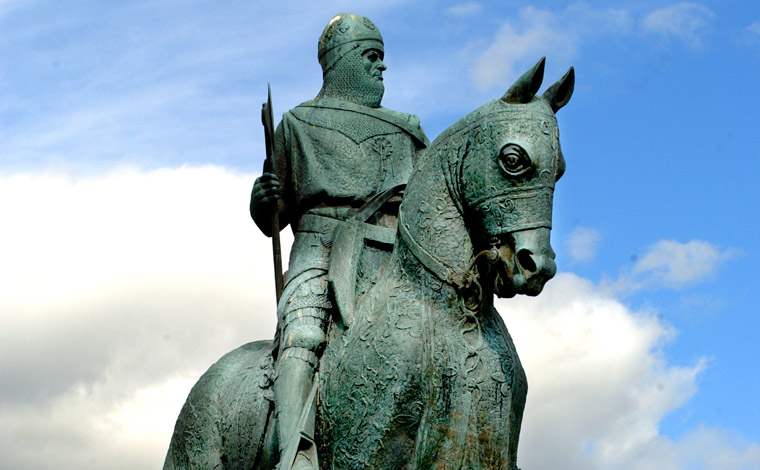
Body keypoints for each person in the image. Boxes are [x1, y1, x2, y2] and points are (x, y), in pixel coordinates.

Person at [250, 13, 428, 470]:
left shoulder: (406, 129)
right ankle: (297, 453)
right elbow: (279, 210)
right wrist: (262, 198)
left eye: (383, 58)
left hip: (393, 255)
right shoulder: (297, 123)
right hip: (320, 251)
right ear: (343, 61)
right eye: (371, 57)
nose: (381, 68)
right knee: (304, 335)